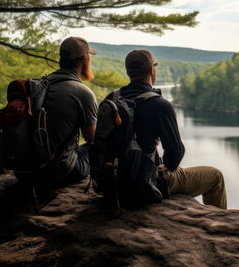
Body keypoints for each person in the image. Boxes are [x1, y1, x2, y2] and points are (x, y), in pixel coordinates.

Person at [107, 49, 227, 209]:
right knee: (215, 176)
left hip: (114, 180)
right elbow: (176, 153)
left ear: (128, 72)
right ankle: (219, 228)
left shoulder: (112, 99)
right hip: (146, 182)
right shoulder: (160, 105)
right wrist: (164, 166)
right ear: (151, 70)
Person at [41, 36, 98, 185]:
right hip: (58, 171)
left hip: (26, 169)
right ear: (85, 59)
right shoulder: (83, 93)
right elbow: (92, 139)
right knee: (98, 147)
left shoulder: (43, 83)